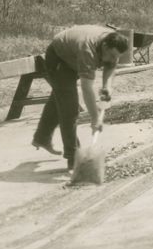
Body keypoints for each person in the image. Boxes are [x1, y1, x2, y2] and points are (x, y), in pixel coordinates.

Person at [31, 25, 128, 170]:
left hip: (73, 55)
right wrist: (95, 118)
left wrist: (107, 86)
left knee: (61, 98)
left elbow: (110, 66)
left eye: (117, 57)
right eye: (112, 55)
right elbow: (87, 88)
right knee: (70, 109)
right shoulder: (87, 50)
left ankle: (42, 137)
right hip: (58, 58)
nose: (114, 59)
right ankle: (73, 157)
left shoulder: (113, 44)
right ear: (104, 46)